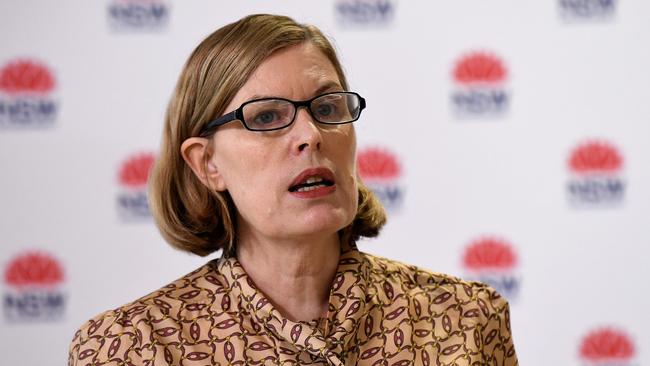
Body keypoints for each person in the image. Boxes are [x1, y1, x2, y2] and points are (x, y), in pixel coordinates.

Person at [69, 14, 518, 365]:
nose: (311, 134)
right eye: (266, 117)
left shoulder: (465, 319)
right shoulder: (130, 348)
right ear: (207, 164)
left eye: (326, 106)